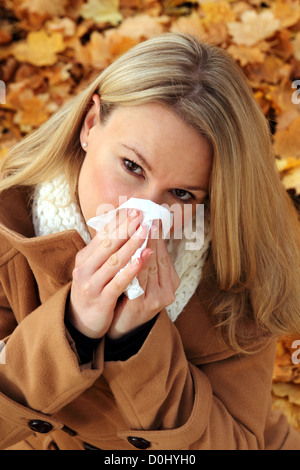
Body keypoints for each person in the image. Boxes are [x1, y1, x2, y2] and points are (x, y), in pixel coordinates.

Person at [0, 33, 300, 451]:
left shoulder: (239, 269)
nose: (139, 212)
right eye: (131, 166)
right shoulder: (8, 229)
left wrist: (137, 342)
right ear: (90, 125)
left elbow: (233, 442)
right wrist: (73, 325)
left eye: (182, 194)